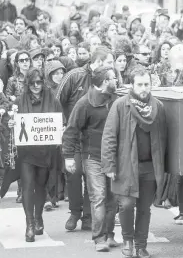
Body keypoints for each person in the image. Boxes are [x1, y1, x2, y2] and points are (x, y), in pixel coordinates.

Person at [102, 66, 168, 258]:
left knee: (144, 209)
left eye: (147, 84)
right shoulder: (121, 105)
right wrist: (109, 165)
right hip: (125, 166)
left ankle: (141, 245)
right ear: (132, 85)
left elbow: (164, 139)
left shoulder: (158, 107)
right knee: (127, 205)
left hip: (150, 167)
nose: (143, 88)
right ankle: (128, 240)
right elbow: (109, 136)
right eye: (139, 84)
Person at [56, 46, 114, 232]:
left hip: (93, 140)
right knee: (73, 174)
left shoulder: (110, 80)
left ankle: (88, 217)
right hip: (74, 134)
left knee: (92, 178)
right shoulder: (75, 76)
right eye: (109, 63)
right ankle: (75, 212)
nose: (112, 67)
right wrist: (63, 123)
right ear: (98, 63)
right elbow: (57, 100)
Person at [62, 66, 119, 252]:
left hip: (113, 157)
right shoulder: (84, 103)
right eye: (113, 78)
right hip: (92, 157)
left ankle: (110, 234)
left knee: (112, 198)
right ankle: (99, 238)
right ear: (104, 82)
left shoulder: (116, 99)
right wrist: (69, 157)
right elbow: (71, 131)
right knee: (99, 197)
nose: (117, 81)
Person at [7, 68, 62, 242]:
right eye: (32, 83)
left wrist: (60, 129)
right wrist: (10, 123)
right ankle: (29, 224)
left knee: (40, 186)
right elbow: (9, 123)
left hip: (46, 152)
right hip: (26, 153)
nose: (36, 86)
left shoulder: (52, 99)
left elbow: (61, 120)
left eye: (39, 82)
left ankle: (38, 217)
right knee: (27, 185)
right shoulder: (19, 101)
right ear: (27, 84)